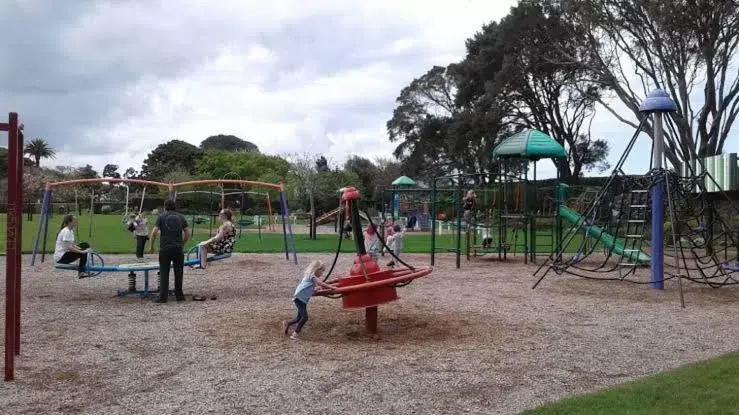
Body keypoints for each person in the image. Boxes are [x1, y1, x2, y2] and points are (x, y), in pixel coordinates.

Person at [149, 199, 190, 303]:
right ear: (175, 207)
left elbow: (154, 233)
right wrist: (182, 244)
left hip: (165, 248)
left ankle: (163, 297)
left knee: (164, 272)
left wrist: (151, 246)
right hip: (178, 248)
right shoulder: (181, 217)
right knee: (179, 272)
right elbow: (187, 233)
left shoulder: (161, 217)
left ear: (165, 207)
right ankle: (179, 296)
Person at [283, 260, 333, 340]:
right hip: (299, 298)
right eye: (322, 271)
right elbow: (321, 283)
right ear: (316, 269)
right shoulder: (312, 276)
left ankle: (287, 323)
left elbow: (308, 288)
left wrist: (315, 289)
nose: (322, 273)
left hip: (302, 299)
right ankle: (295, 334)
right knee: (305, 317)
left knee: (299, 318)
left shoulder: (310, 276)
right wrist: (332, 288)